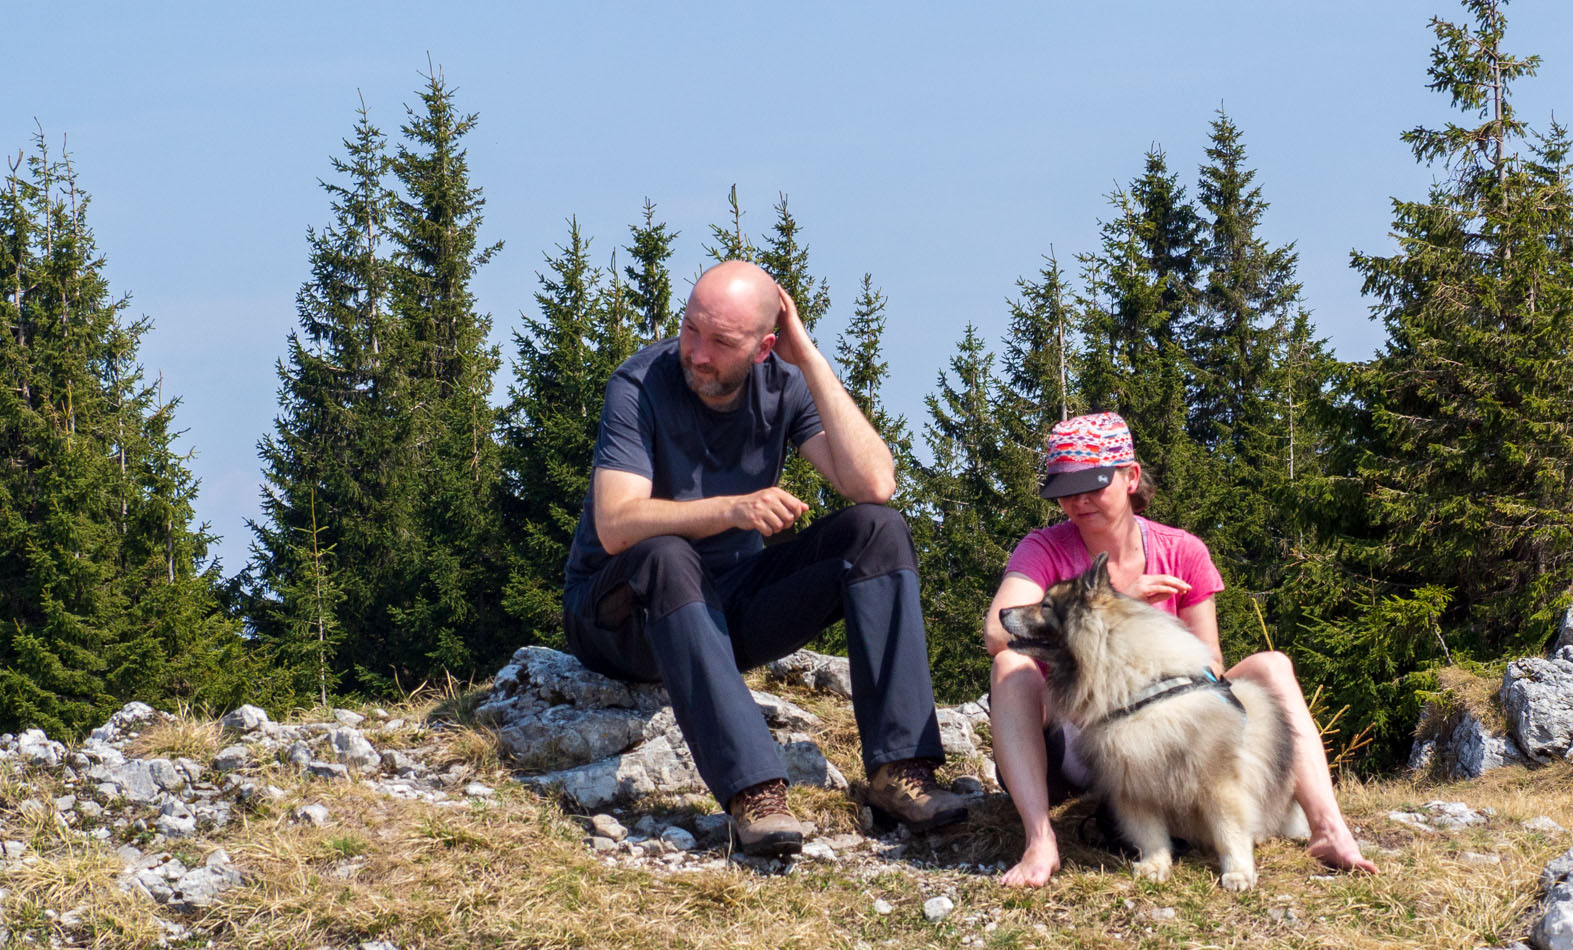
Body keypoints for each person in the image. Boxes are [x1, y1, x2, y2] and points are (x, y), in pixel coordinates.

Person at [562, 260, 967, 855]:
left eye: (720, 342)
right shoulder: (640, 383)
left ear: (764, 347)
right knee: (668, 555)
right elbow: (617, 523)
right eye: (690, 329)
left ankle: (897, 770)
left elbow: (875, 483)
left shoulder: (784, 382)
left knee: (877, 530)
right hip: (622, 617)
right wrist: (732, 509)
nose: (696, 353)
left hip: (722, 611)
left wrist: (810, 361)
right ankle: (755, 792)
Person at [983, 412, 1379, 887]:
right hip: (1077, 733)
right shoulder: (1044, 547)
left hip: (1166, 738)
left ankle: (1328, 828)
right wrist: (1121, 596)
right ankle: (1040, 841)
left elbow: (1210, 662)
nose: (1078, 500)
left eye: (1093, 484)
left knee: (1273, 666)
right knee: (1010, 666)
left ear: (1131, 476)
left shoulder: (1183, 549)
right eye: (1066, 490)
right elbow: (996, 632)